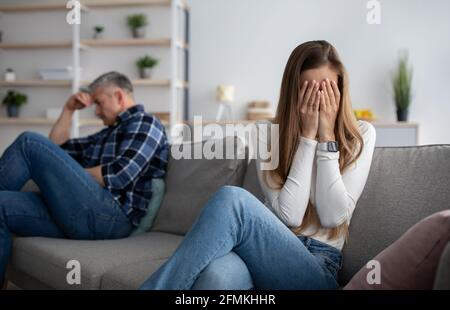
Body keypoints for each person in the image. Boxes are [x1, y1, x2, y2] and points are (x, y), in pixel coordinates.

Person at [138, 40, 377, 290]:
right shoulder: (266, 132)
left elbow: (331, 217)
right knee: (216, 278)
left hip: (317, 265)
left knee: (233, 200)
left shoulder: (361, 135)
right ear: (293, 91)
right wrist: (306, 138)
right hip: (260, 251)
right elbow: (290, 216)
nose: (318, 102)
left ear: (340, 90)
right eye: (308, 91)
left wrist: (325, 138)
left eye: (327, 91)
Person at [0, 71, 169, 288]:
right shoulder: (106, 134)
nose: (97, 111)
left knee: (29, 142)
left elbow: (118, 175)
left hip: (112, 217)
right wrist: (68, 110)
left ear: (118, 96)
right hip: (83, 212)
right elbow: (57, 148)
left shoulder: (146, 123)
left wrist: (67, 174)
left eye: (98, 103)